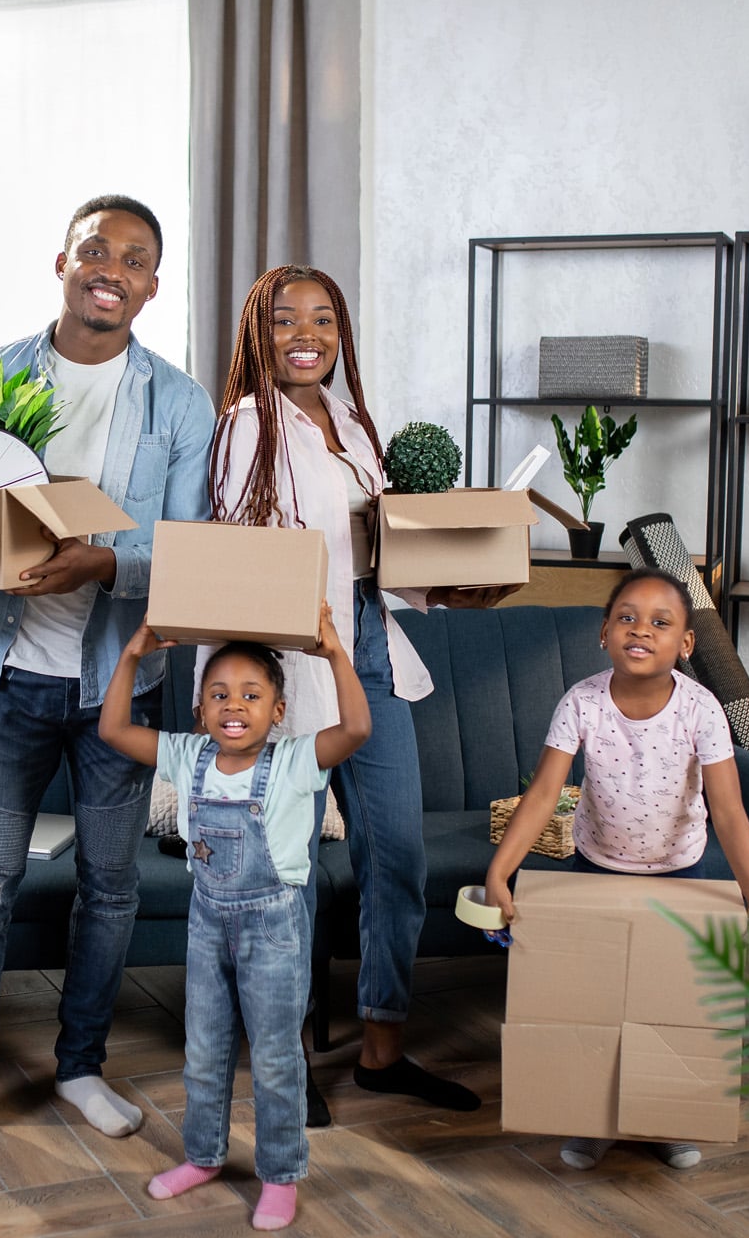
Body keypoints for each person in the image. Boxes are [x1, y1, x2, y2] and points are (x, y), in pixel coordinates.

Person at [0, 195, 217, 1173]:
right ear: (63, 262)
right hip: (5, 680)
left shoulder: (180, 402)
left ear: (153, 284)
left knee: (110, 889)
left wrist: (102, 564)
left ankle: (81, 1065)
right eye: (94, 250)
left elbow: (192, 546)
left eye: (133, 257)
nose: (109, 268)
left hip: (119, 686)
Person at [209, 263, 509, 1125]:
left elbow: (378, 555)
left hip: (371, 658)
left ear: (341, 336)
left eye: (325, 320)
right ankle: (285, 1063)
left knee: (398, 859)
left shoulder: (352, 424)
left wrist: (443, 587)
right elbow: (244, 562)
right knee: (290, 875)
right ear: (258, 335)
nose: (307, 335)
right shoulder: (243, 428)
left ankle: (382, 1051)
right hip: (294, 668)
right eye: (286, 320)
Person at [483, 566, 749, 1172]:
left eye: (661, 622)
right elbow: (541, 796)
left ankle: (665, 1116)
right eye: (627, 618)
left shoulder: (702, 710)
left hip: (677, 874)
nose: (641, 630)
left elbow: (729, 809)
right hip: (598, 868)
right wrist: (498, 873)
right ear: (604, 632)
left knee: (670, 1004)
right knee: (597, 1005)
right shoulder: (581, 702)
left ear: (685, 644)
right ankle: (594, 1119)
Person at [98, 608, 370, 1231]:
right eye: (218, 694)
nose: (234, 705)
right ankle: (204, 1156)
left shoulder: (299, 761)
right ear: (200, 709)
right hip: (207, 923)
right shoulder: (188, 755)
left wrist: (333, 652)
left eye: (252, 694)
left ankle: (280, 1175)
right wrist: (133, 654)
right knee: (204, 1050)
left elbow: (356, 727)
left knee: (276, 1057)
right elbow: (114, 728)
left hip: (274, 928)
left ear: (278, 711)